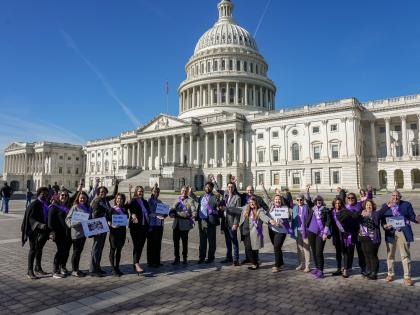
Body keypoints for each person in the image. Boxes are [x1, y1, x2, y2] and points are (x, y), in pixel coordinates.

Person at [381, 190, 420, 286]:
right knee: (390, 255)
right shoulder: (385, 206)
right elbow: (382, 220)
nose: (395, 197)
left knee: (405, 255)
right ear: (391, 196)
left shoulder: (406, 205)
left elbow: (412, 217)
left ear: (400, 197)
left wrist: (417, 219)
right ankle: (390, 274)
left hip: (403, 232)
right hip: (390, 233)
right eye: (393, 195)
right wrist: (384, 226)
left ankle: (407, 277)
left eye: (397, 195)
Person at [227, 196, 277, 270]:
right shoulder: (246, 208)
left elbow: (263, 216)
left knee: (251, 249)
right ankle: (254, 263)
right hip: (244, 232)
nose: (251, 203)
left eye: (253, 202)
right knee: (248, 249)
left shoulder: (259, 210)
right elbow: (238, 209)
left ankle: (254, 263)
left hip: (253, 233)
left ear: (256, 202)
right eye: (250, 202)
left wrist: (270, 221)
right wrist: (227, 208)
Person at [89, 181, 119, 277]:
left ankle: (97, 267)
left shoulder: (105, 200)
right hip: (98, 226)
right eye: (101, 192)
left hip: (104, 225)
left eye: (104, 192)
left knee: (100, 248)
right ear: (98, 193)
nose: (103, 193)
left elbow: (114, 195)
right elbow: (93, 215)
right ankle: (93, 270)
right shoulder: (96, 201)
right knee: (96, 248)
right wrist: (95, 230)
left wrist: (116, 185)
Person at [21, 187, 50, 279]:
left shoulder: (46, 203)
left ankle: (38, 267)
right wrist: (39, 225)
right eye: (43, 194)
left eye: (46, 194)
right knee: (33, 249)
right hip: (33, 230)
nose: (45, 196)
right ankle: (29, 271)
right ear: (38, 194)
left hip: (43, 230)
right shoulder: (34, 204)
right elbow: (30, 218)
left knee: (40, 249)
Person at [261, 183, 291, 273]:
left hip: (281, 231)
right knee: (276, 247)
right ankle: (281, 262)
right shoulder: (271, 206)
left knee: (277, 247)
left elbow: (287, 218)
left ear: (281, 200)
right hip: (272, 230)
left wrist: (280, 222)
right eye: (276, 199)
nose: (277, 200)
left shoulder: (284, 207)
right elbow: (266, 197)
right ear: (274, 200)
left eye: (279, 199)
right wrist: (263, 187)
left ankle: (277, 265)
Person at [330, 198, 360, 278]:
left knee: (345, 252)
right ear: (334, 204)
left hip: (344, 234)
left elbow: (354, 215)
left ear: (341, 204)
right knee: (338, 253)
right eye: (336, 203)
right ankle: (339, 269)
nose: (337, 205)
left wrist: (361, 211)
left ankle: (345, 269)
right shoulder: (331, 212)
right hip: (336, 235)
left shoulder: (345, 211)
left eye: (339, 203)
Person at [358, 199, 387, 280]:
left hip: (372, 238)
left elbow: (382, 211)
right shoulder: (362, 213)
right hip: (363, 237)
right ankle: (369, 270)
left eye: (370, 205)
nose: (369, 206)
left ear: (373, 206)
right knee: (366, 255)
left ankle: (374, 272)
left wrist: (388, 205)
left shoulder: (376, 214)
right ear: (365, 206)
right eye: (367, 205)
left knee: (372, 255)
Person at [193, 181, 221, 264]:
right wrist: (191, 193)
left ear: (212, 188)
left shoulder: (214, 197)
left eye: (209, 187)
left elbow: (218, 205)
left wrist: (219, 200)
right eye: (206, 187)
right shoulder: (202, 196)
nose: (207, 188)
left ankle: (211, 257)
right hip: (201, 221)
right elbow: (197, 200)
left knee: (211, 241)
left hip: (210, 222)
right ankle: (201, 257)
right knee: (202, 241)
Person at [65, 191, 91, 277]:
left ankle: (77, 269)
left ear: (86, 199)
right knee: (76, 252)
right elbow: (67, 219)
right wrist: (72, 224)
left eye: (84, 198)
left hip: (84, 233)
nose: (82, 199)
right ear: (78, 199)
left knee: (79, 252)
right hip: (76, 233)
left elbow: (89, 219)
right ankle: (74, 270)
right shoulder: (75, 207)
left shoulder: (88, 207)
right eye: (81, 198)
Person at [48, 189, 72, 278]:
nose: (64, 197)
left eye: (66, 195)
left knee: (65, 251)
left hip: (67, 233)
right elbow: (50, 222)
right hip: (58, 233)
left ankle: (61, 268)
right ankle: (55, 270)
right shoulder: (54, 207)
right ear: (58, 196)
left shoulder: (68, 206)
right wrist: (51, 232)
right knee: (60, 251)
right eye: (62, 195)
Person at [305, 194, 331, 279]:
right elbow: (308, 201)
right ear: (315, 202)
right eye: (316, 200)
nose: (318, 202)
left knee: (319, 252)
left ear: (322, 202)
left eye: (320, 200)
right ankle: (317, 268)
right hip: (311, 232)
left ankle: (321, 271)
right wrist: (307, 192)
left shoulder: (326, 210)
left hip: (321, 233)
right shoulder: (312, 208)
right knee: (314, 251)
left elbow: (328, 222)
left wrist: (325, 233)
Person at [169, 186, 196, 265]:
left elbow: (193, 209)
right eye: (183, 190)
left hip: (184, 224)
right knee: (176, 243)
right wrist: (171, 214)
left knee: (185, 243)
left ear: (187, 192)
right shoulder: (177, 199)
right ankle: (176, 258)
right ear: (180, 191)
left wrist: (194, 215)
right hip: (176, 224)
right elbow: (172, 209)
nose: (184, 192)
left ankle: (184, 258)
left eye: (185, 191)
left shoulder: (190, 200)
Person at [219, 182, 242, 266]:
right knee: (227, 241)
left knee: (234, 241)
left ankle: (236, 259)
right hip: (225, 222)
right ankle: (229, 258)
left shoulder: (237, 198)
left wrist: (235, 224)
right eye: (228, 187)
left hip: (232, 222)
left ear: (234, 188)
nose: (230, 188)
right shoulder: (225, 196)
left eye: (232, 187)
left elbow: (238, 212)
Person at [128, 185, 150, 274]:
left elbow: (149, 212)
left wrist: (160, 215)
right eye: (139, 191)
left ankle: (135, 263)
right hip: (135, 226)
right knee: (137, 245)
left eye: (141, 191)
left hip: (144, 226)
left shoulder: (145, 201)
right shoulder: (133, 201)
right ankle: (136, 263)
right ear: (136, 192)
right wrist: (133, 216)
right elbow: (131, 209)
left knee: (140, 246)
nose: (140, 192)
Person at [107, 193, 128, 277]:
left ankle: (117, 267)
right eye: (118, 198)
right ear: (115, 199)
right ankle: (113, 269)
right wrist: (112, 225)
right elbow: (107, 220)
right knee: (113, 249)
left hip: (122, 232)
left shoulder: (124, 209)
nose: (119, 200)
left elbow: (126, 219)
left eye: (121, 199)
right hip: (114, 232)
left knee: (119, 250)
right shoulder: (112, 209)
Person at [345, 192, 366, 276]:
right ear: (346, 199)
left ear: (355, 198)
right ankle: (348, 267)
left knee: (360, 251)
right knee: (349, 251)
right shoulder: (344, 207)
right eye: (349, 198)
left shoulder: (359, 204)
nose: (350, 199)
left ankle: (363, 268)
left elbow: (368, 202)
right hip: (349, 232)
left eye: (352, 198)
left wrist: (368, 194)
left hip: (359, 231)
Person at [291, 193, 311, 272]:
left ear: (303, 200)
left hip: (306, 231)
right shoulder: (295, 207)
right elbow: (293, 219)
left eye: (301, 199)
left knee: (306, 248)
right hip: (297, 230)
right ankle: (301, 264)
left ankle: (307, 265)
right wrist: (292, 230)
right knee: (299, 249)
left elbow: (310, 202)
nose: (299, 201)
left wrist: (307, 192)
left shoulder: (307, 207)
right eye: (298, 200)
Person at [147, 185, 166, 268]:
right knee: (151, 244)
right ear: (151, 192)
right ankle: (150, 261)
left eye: (158, 192)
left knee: (158, 243)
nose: (156, 193)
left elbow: (164, 212)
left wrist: (165, 214)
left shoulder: (160, 201)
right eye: (154, 191)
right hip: (151, 225)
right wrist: (156, 216)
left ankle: (157, 261)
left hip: (159, 224)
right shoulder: (149, 202)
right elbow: (148, 213)